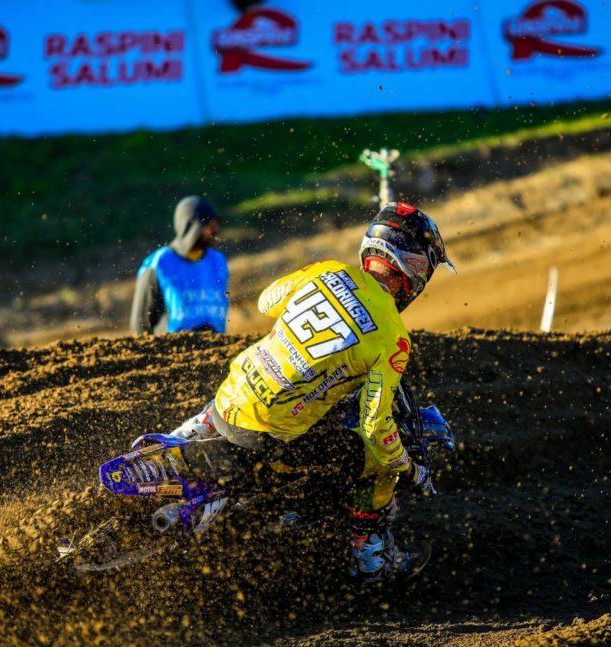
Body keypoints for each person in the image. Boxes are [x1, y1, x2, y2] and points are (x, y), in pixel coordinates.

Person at [170, 201, 455, 590]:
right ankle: (370, 558)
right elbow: (375, 425)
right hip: (270, 434)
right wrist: (408, 468)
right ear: (414, 266)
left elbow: (267, 302)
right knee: (375, 460)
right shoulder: (393, 337)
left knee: (247, 395)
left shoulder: (328, 270)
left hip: (230, 397)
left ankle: (173, 444)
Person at [130, 196, 229, 334]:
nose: (215, 231)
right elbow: (141, 325)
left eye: (216, 225)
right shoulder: (159, 263)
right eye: (209, 225)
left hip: (218, 345)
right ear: (191, 226)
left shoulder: (218, 261)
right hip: (175, 345)